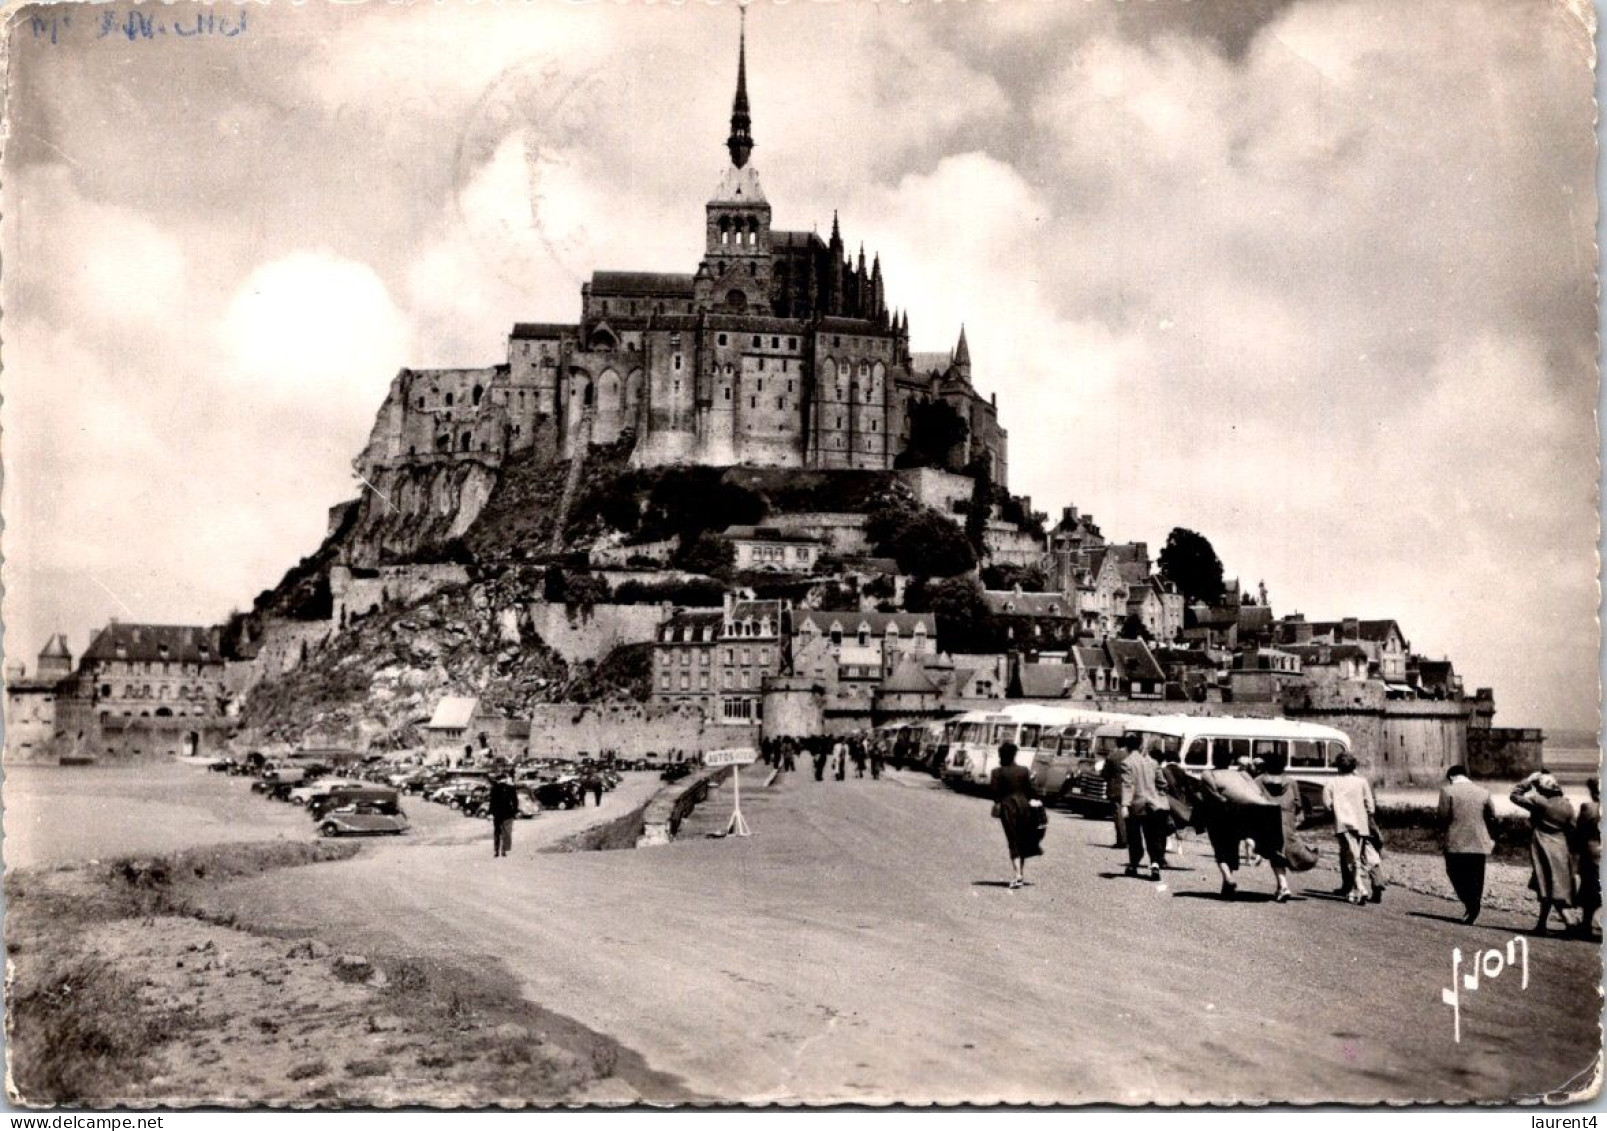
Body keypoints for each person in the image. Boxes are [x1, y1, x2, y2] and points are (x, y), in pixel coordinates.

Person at [1510, 772, 1578, 935]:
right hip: (1561, 846)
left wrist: (1528, 780)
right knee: (1550, 884)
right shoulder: (1567, 805)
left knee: (1547, 884)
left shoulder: (1538, 801)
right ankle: (1541, 924)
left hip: (1543, 845)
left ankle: (1569, 922)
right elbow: (1572, 828)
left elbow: (1514, 796)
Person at [1437, 764, 1497, 924]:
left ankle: (1469, 903)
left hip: (1455, 841)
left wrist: (1442, 833)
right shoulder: (1483, 792)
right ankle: (1474, 904)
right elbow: (1492, 816)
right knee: (1477, 876)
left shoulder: (1447, 791)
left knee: (1455, 873)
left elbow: (1443, 816)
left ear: (1450, 777)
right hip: (1479, 841)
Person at [1323, 753, 1378, 905]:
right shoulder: (1361, 782)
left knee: (1350, 856)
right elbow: (1370, 804)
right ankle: (1356, 888)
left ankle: (1360, 887)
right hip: (1360, 822)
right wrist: (1368, 813)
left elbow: (1327, 804)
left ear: (1338, 766)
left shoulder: (1331, 782)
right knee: (1357, 854)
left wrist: (1335, 808)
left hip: (1342, 822)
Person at [1254, 749, 1305, 903]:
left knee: (1275, 852)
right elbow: (1298, 803)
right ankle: (1281, 885)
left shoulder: (1258, 780)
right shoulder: (1291, 782)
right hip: (1287, 819)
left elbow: (1253, 799)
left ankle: (1283, 886)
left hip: (1268, 819)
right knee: (1280, 851)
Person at [990, 742, 1043, 889]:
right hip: (1024, 807)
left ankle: (1018, 874)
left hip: (1008, 808)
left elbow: (994, 793)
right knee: (1022, 839)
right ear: (1014, 755)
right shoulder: (1024, 771)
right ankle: (1021, 873)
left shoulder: (997, 772)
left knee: (1012, 840)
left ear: (1001, 755)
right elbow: (1030, 791)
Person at [1119, 737, 1168, 880]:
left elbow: (1128, 785)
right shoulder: (1152, 762)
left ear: (1127, 747)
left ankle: (1133, 865)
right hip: (1153, 804)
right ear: (1140, 746)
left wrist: (1125, 805)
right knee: (1153, 836)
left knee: (1134, 836)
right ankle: (1155, 865)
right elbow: (1162, 783)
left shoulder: (1127, 763)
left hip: (1136, 805)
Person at [1574, 776, 1601, 939]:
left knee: (1589, 890)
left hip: (1591, 853)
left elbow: (1579, 831)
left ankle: (1586, 924)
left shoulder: (1588, 808)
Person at [1101, 739, 1131, 850]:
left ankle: (1122, 840)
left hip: (1116, 789)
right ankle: (1131, 840)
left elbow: (1104, 774)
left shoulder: (1112, 756)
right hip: (1130, 789)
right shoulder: (1131, 756)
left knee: (1118, 815)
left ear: (1116, 744)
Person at [488, 774, 520, 858]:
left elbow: (491, 802)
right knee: (506, 833)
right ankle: (503, 850)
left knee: (497, 833)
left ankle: (496, 850)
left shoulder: (494, 789)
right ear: (505, 779)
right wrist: (515, 812)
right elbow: (515, 801)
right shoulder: (511, 789)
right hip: (507, 813)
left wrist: (490, 813)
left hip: (498, 814)